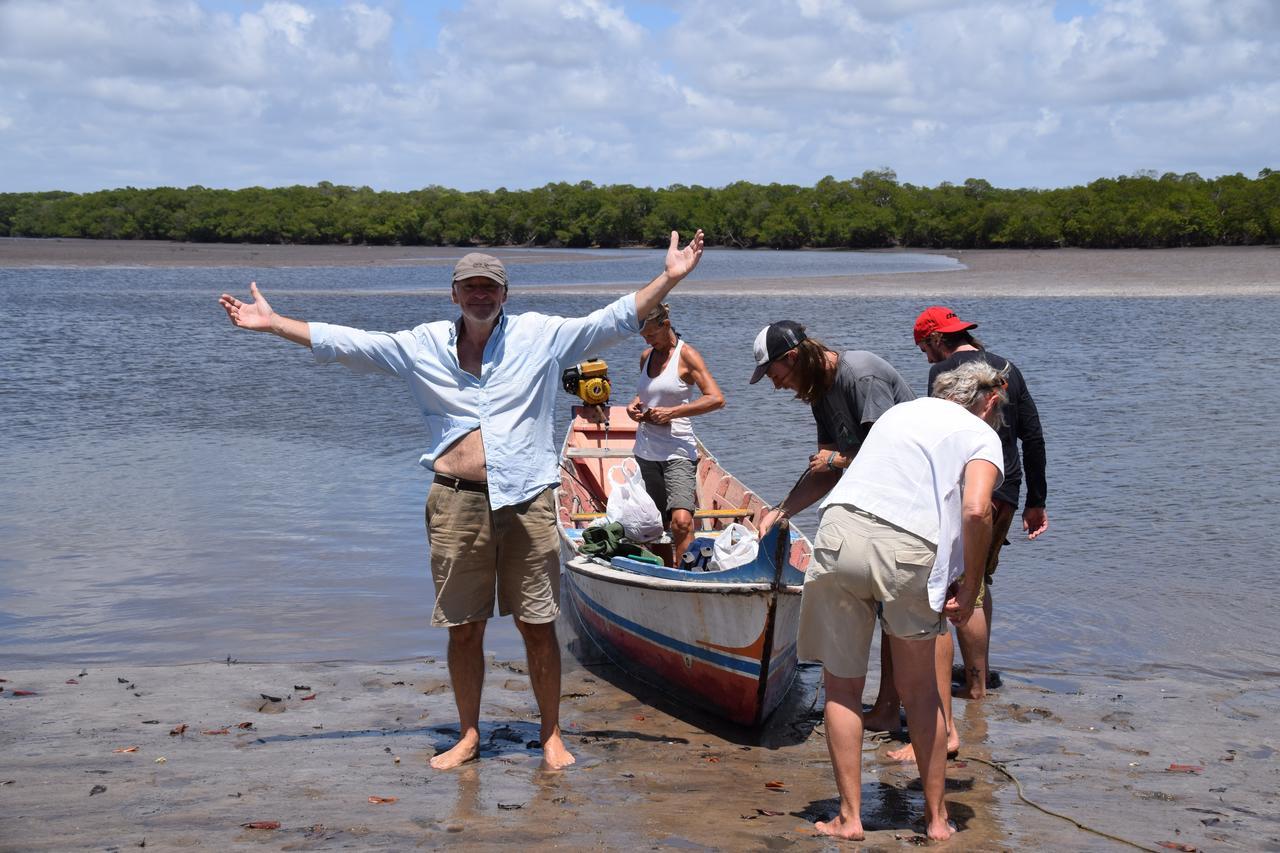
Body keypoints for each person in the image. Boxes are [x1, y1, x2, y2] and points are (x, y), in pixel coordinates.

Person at [218, 230, 705, 771]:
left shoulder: (537, 336)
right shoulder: (420, 345)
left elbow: (609, 319)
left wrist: (671, 277)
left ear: (504, 294)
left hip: (528, 501)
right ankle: (468, 735)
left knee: (538, 624)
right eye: (469, 287)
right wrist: (274, 323)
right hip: (454, 503)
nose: (480, 295)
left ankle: (550, 736)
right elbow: (348, 342)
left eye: (489, 287)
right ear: (454, 294)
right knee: (463, 626)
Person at [799, 359, 1007, 842]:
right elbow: (977, 509)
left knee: (843, 689)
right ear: (988, 402)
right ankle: (936, 821)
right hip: (907, 547)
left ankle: (849, 820)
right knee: (921, 693)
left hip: (839, 531)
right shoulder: (983, 436)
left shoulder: (902, 411)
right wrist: (971, 582)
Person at [749, 321, 937, 745]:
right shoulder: (820, 393)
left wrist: (834, 462)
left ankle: (916, 716)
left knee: (901, 615)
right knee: (888, 613)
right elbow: (827, 470)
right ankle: (887, 710)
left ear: (793, 358)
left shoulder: (861, 375)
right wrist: (781, 511)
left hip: (911, 509)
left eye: (775, 376)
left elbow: (889, 454)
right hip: (881, 507)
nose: (777, 387)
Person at [914, 305, 1048, 700]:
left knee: (961, 585)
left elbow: (939, 437)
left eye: (924, 347)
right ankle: (981, 673)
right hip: (1007, 487)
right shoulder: (1009, 367)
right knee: (978, 580)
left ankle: (974, 688)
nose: (926, 357)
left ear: (937, 340)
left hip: (970, 488)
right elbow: (1034, 437)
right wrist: (1036, 501)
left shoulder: (942, 374)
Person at [625, 303, 724, 563]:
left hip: (678, 451)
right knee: (655, 525)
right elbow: (648, 393)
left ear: (665, 325)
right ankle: (664, 574)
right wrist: (634, 405)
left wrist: (672, 413)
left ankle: (684, 577)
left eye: (652, 336)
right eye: (644, 337)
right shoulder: (646, 357)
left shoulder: (687, 355)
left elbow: (716, 399)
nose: (648, 341)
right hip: (646, 451)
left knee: (680, 522)